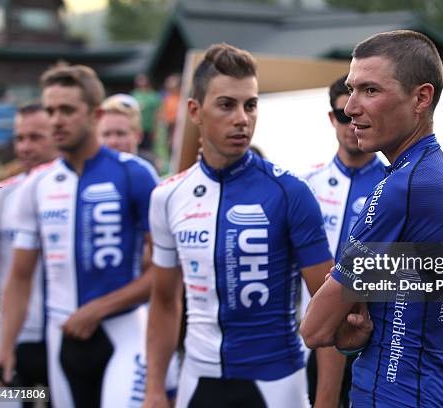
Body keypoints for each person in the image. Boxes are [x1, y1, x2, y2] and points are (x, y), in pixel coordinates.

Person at [144, 43, 340, 408]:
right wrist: (155, 387)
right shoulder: (167, 197)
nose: (242, 118)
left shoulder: (290, 192)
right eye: (227, 105)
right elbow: (164, 300)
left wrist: (326, 401)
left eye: (250, 105)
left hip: (276, 383)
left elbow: (329, 305)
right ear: (195, 111)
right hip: (197, 381)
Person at [300, 30, 443, 407]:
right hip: (426, 389)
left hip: (397, 395)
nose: (349, 107)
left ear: (421, 98)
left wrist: (346, 314)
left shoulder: (404, 186)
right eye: (351, 89)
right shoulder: (435, 174)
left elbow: (314, 329)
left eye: (370, 91)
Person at [0, 64, 162, 407]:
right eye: (50, 110)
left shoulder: (136, 174)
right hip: (59, 338)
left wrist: (99, 308)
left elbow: (167, 272)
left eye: (67, 110)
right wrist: (4, 346)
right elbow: (19, 277)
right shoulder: (36, 186)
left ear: (94, 115)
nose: (56, 120)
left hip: (123, 332)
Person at [301, 74, 386, 407]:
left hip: (374, 336)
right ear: (331, 118)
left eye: (356, 115)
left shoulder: (392, 182)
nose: (351, 124)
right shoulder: (307, 183)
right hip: (317, 333)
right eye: (342, 116)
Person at [0, 103, 57, 404]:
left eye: (36, 138)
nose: (26, 147)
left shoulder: (77, 192)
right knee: (7, 401)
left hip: (64, 337)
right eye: (20, 138)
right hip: (11, 339)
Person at [132, 73, 162, 152]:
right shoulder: (135, 94)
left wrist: (156, 129)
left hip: (149, 128)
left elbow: (157, 113)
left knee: (148, 150)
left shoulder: (153, 96)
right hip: (137, 127)